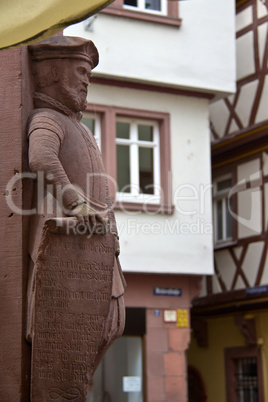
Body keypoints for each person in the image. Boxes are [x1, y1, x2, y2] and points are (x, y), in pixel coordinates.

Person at [26, 35, 126, 375]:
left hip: (96, 242)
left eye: (89, 75)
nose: (86, 80)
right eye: (81, 70)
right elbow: (40, 156)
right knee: (69, 332)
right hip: (68, 241)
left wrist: (111, 230)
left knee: (111, 325)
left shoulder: (80, 127)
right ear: (53, 72)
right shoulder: (48, 118)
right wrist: (74, 200)